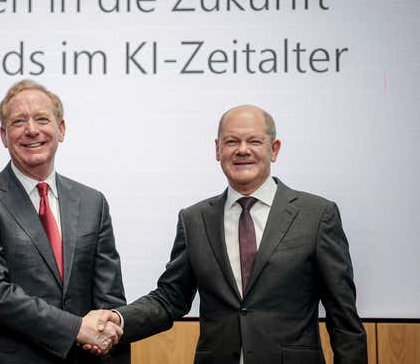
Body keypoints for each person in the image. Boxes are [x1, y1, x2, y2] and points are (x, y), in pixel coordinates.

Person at [88, 104, 367, 364]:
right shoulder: (194, 219)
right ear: (217, 149)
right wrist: (117, 319)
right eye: (232, 141)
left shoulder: (316, 215)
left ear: (275, 149)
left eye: (254, 141)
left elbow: (343, 316)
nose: (242, 150)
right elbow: (170, 298)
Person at [0, 79, 129, 364]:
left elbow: (109, 296)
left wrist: (106, 332)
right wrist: (76, 329)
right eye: (18, 121)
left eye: (42, 119)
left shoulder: (92, 202)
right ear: (3, 135)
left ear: (61, 129)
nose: (31, 129)